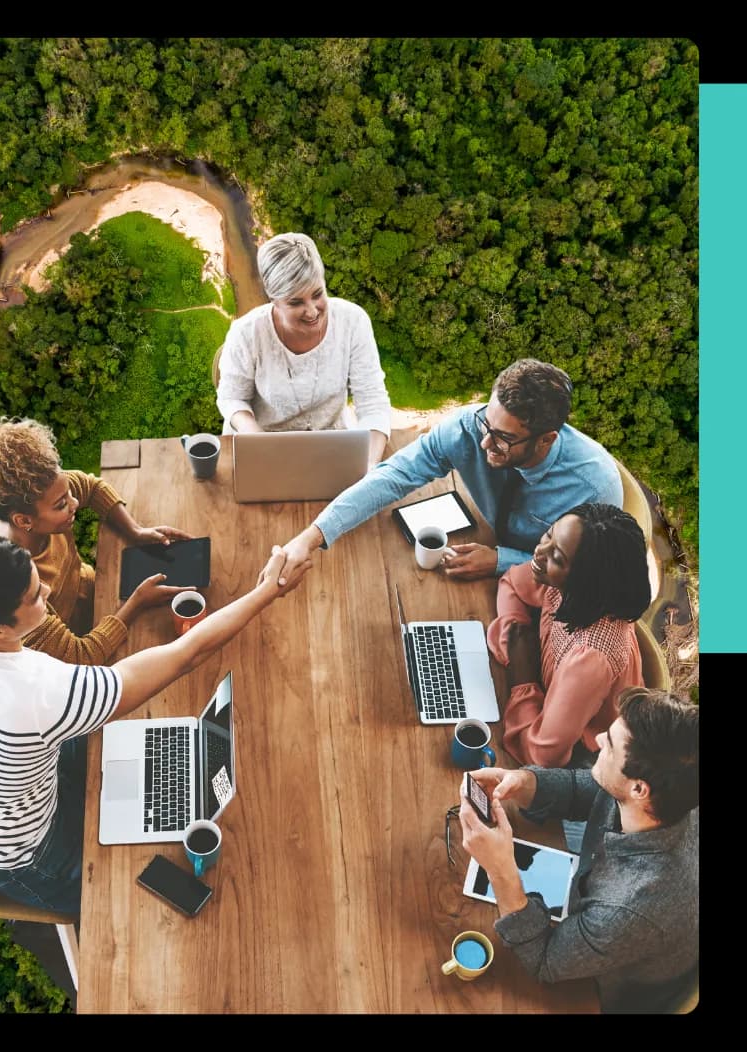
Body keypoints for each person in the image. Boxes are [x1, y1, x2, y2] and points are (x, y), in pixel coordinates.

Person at [0, 534, 311, 915]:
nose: (46, 590)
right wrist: (267, 592)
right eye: (34, 596)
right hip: (27, 856)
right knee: (132, 907)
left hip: (13, 786)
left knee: (153, 757)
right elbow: (185, 655)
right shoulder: (38, 692)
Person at [459, 687, 698, 1015]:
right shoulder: (659, 801)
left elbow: (544, 960)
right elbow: (591, 790)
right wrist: (525, 783)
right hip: (596, 919)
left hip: (602, 992)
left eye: (610, 745)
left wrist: (501, 871)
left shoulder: (631, 908)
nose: (598, 739)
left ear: (639, 788)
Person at [278, 358, 623, 582]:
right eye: (486, 423)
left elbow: (587, 575)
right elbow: (395, 474)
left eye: (503, 438)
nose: (485, 443)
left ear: (546, 440)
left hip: (537, 589)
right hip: (479, 557)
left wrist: (502, 562)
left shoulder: (595, 488)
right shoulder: (469, 427)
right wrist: (312, 536)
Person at [0, 414, 194, 664]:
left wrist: (135, 531)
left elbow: (91, 487)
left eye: (68, 493)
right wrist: (137, 603)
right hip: (80, 642)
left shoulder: (42, 490)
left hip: (98, 592)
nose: (75, 503)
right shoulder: (14, 589)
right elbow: (81, 656)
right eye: (61, 505)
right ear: (24, 521)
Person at [488, 503, 650, 769]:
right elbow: (512, 583)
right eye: (549, 534)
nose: (539, 553)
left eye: (558, 558)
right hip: (545, 707)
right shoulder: (563, 582)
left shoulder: (592, 657)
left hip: (587, 758)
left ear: (586, 581)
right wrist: (514, 637)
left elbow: (543, 756)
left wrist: (523, 677)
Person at [215, 232, 392, 467]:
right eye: (295, 302)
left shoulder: (353, 321)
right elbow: (231, 398)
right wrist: (257, 439)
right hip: (265, 449)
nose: (312, 312)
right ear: (274, 300)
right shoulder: (245, 332)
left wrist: (368, 466)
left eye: (318, 294)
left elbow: (373, 401)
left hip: (333, 447)